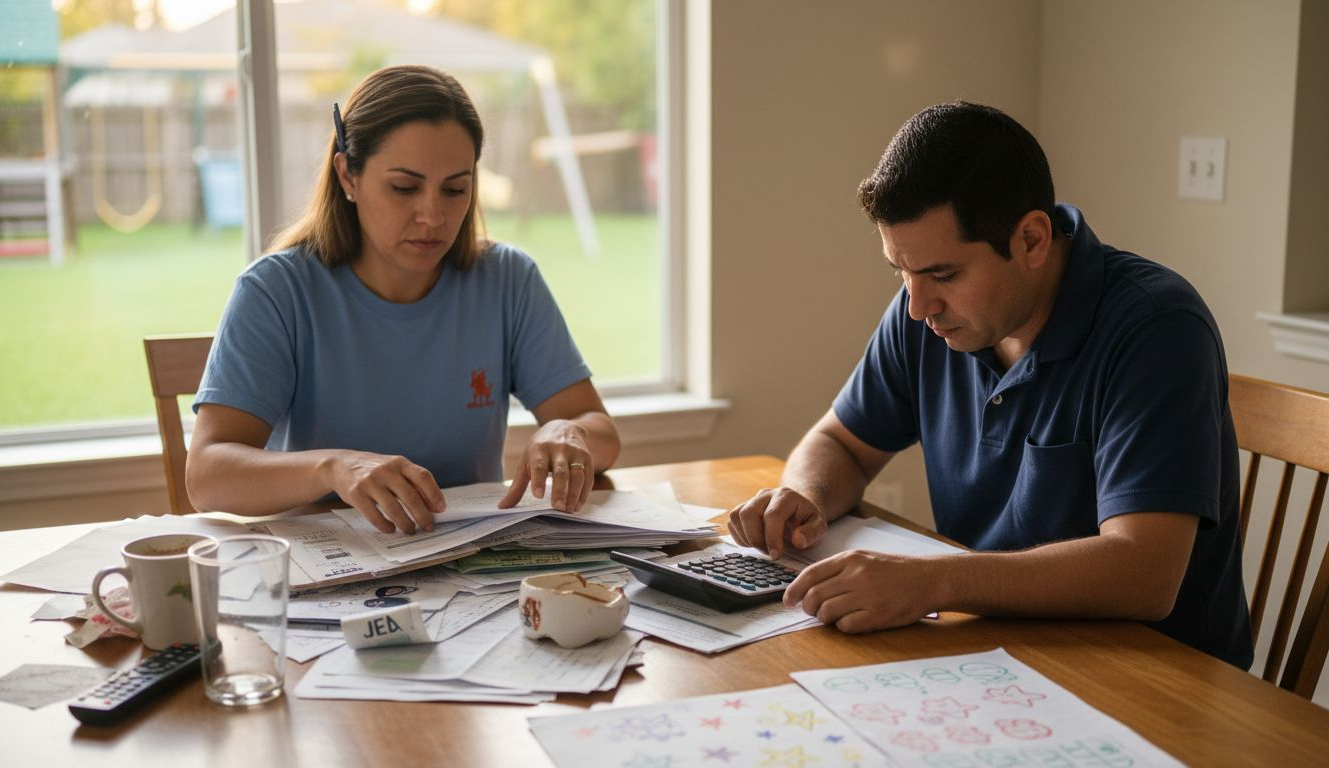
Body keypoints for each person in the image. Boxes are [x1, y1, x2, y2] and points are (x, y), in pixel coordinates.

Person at [728, 101, 1252, 669]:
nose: (917, 306)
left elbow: (1144, 573)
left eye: (943, 275)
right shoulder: (932, 316)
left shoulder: (1157, 328)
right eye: (900, 273)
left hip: (1158, 680)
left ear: (1031, 240)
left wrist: (933, 583)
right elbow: (841, 444)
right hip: (997, 653)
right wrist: (806, 494)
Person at [186, 65, 620, 535]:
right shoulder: (276, 292)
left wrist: (568, 432)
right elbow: (208, 476)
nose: (432, 216)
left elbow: (599, 429)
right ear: (348, 175)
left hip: (471, 565)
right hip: (333, 566)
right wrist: (333, 468)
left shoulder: (508, 280)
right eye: (404, 188)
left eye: (455, 189)